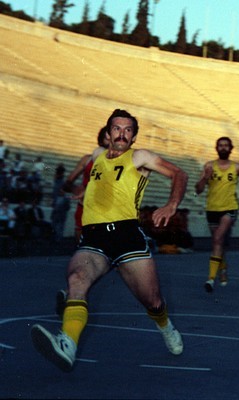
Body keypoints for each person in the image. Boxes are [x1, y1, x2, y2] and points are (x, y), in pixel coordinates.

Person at [30, 109, 188, 372]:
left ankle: (166, 326)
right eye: (117, 128)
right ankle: (67, 344)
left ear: (134, 137)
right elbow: (100, 184)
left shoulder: (139, 157)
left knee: (153, 301)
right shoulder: (96, 156)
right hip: (95, 237)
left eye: (128, 130)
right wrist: (83, 191)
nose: (122, 134)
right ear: (108, 132)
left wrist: (172, 204)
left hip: (127, 236)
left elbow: (179, 174)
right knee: (77, 278)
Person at [194, 136, 239, 292]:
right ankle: (223, 268)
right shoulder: (208, 166)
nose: (223, 147)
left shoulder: (236, 167)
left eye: (226, 145)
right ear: (216, 148)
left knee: (218, 238)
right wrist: (205, 178)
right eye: (220, 145)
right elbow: (198, 190)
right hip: (212, 208)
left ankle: (211, 279)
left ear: (231, 148)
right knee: (217, 243)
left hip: (229, 208)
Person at [63, 126, 109, 242]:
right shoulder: (87, 159)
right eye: (107, 138)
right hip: (84, 207)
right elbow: (67, 183)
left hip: (104, 209)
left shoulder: (121, 162)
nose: (110, 142)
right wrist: (76, 189)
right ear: (101, 139)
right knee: (81, 246)